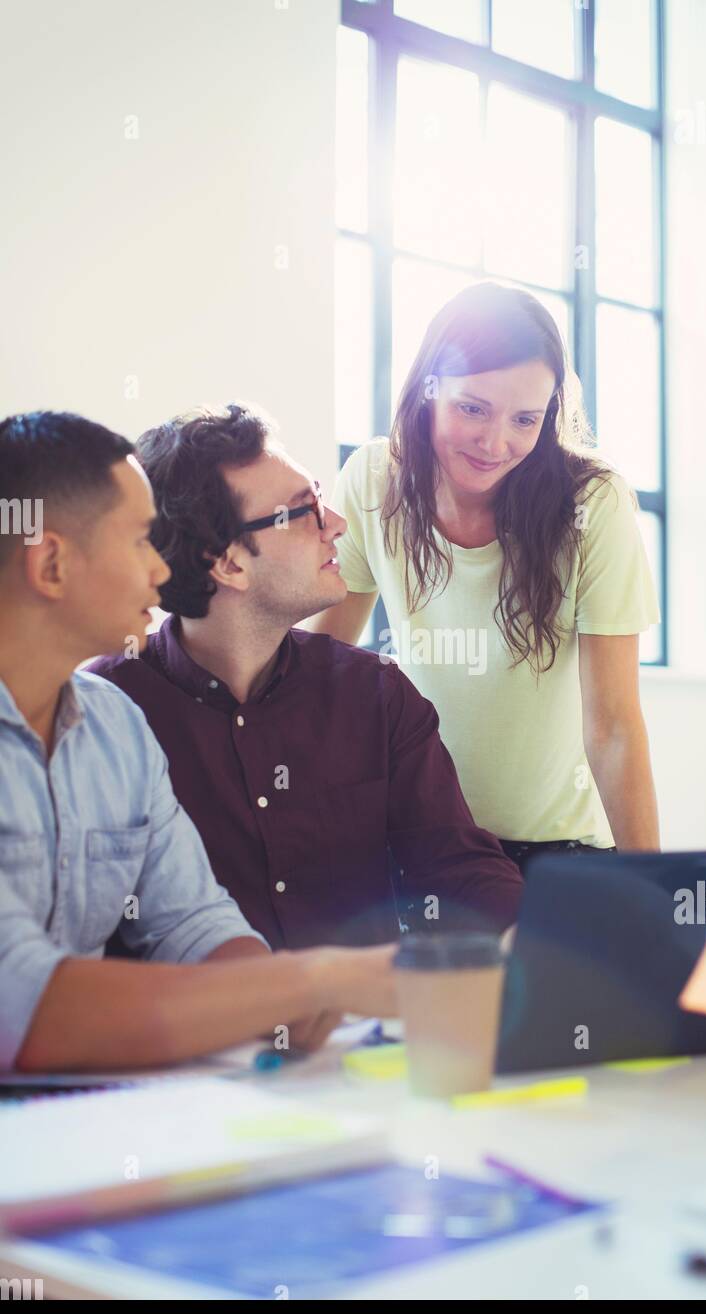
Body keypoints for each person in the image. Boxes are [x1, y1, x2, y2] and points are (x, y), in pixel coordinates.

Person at [0, 411, 396, 1073]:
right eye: (138, 544)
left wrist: (277, 1005)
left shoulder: (116, 729)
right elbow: (24, 1008)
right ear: (52, 565)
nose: (163, 572)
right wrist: (317, 979)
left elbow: (193, 923)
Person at [88, 402, 522, 948]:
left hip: (362, 1029)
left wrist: (538, 939)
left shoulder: (375, 693)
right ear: (227, 563)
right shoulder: (107, 707)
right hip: (188, 1029)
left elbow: (456, 865)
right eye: (304, 510)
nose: (336, 524)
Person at [309, 282, 661, 874]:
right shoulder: (374, 478)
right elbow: (321, 667)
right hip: (420, 843)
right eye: (472, 408)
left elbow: (614, 727)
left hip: (559, 854)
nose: (496, 443)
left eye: (525, 419)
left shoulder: (593, 502)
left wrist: (653, 894)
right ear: (429, 388)